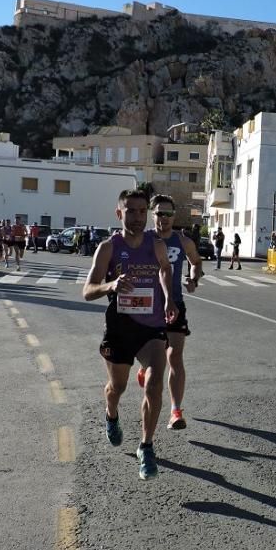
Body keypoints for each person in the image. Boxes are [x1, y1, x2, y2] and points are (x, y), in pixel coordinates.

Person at [82, 189, 176, 481]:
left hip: (151, 327)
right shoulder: (108, 248)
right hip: (120, 327)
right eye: (130, 211)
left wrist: (169, 298)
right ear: (118, 213)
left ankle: (146, 447)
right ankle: (111, 414)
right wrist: (110, 286)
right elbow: (87, 291)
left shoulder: (156, 244)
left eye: (141, 211)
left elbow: (164, 270)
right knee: (117, 388)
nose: (137, 217)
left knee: (155, 383)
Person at [133, 195, 204, 433]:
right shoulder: (143, 240)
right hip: (147, 306)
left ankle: (175, 411)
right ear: (152, 215)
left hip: (174, 304)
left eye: (167, 213)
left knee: (174, 357)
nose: (163, 218)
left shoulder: (182, 241)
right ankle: (144, 367)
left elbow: (196, 261)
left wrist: (193, 277)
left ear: (174, 216)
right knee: (154, 358)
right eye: (159, 213)